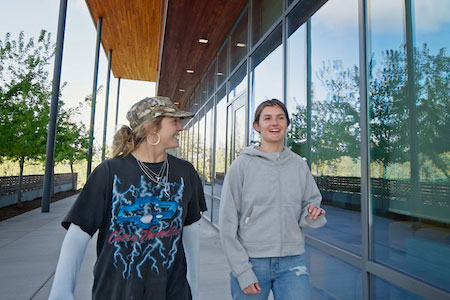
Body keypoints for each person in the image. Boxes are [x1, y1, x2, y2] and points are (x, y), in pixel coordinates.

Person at [49, 96, 206, 300]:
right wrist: (61, 292)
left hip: (172, 292)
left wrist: (193, 287)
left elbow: (190, 231)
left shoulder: (186, 172)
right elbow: (79, 231)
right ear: (151, 128)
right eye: (174, 121)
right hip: (116, 292)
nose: (180, 128)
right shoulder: (109, 172)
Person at [219, 99, 326, 300]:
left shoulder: (298, 165)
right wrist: (242, 271)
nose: (274, 123)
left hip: (293, 261)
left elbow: (311, 203)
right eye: (267, 118)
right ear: (257, 126)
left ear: (287, 124)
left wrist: (312, 213)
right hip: (251, 261)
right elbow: (227, 225)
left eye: (280, 118)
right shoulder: (241, 166)